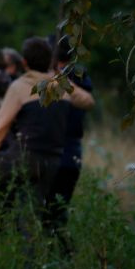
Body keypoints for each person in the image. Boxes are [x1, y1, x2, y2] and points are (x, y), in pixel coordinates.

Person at [0, 36, 96, 229]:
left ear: (24, 62)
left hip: (26, 157)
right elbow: (88, 101)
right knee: (32, 213)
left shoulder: (20, 86)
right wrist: (59, 78)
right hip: (52, 161)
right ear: (50, 62)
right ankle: (29, 248)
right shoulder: (60, 85)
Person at [48, 36, 93, 227]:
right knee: (58, 211)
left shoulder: (58, 79)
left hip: (56, 151)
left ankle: (59, 252)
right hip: (73, 151)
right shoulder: (82, 76)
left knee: (51, 213)